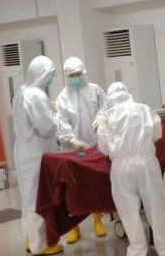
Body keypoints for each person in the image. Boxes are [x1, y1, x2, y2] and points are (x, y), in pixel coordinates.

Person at [96, 82, 165, 256]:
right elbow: (157, 134)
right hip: (146, 162)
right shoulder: (144, 109)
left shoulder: (106, 116)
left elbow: (103, 147)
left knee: (127, 209)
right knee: (156, 205)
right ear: (127, 93)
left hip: (120, 167)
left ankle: (137, 249)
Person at [13, 55, 64, 255]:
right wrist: (57, 116)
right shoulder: (36, 96)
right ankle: (40, 245)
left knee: (27, 198)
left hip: (24, 151)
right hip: (36, 154)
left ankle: (30, 239)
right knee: (38, 198)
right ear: (42, 74)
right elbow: (47, 127)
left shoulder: (21, 92)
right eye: (50, 74)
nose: (51, 78)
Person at [55, 56, 108, 243]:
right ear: (66, 76)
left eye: (78, 74)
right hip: (72, 148)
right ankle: (73, 227)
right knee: (73, 187)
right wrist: (71, 139)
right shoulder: (62, 97)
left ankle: (97, 220)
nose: (75, 77)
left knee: (94, 184)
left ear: (83, 71)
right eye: (72, 75)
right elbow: (60, 122)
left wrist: (100, 117)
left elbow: (105, 107)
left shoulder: (95, 90)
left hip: (95, 144)